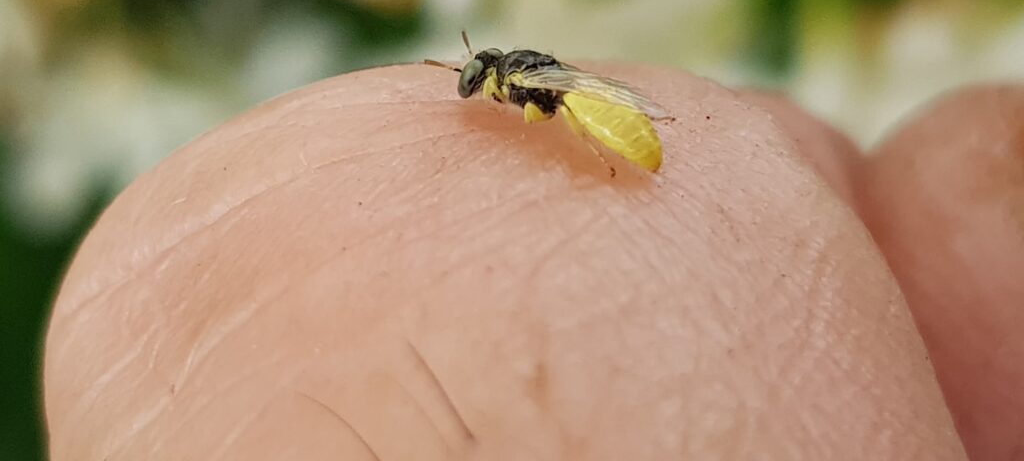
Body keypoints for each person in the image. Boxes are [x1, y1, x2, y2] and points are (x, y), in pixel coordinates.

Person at [43, 65, 1023, 459]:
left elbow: (563, 111)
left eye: (478, 80)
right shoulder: (527, 96)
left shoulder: (534, 102)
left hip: (631, 152)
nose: (476, 92)